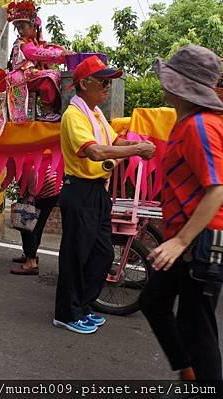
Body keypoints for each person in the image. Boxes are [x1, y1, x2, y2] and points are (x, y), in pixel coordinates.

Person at [54, 56, 156, 334]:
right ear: (84, 83)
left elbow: (114, 142)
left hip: (98, 192)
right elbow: (96, 151)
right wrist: (136, 150)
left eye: (109, 83)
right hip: (80, 191)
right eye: (103, 82)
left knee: (100, 254)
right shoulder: (74, 115)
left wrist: (140, 143)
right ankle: (67, 313)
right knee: (76, 255)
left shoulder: (96, 113)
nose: (108, 88)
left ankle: (84, 306)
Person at [141, 45, 223, 387]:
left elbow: (217, 188)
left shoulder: (200, 127)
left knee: (197, 329)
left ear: (180, 87)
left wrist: (180, 241)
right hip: (184, 240)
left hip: (199, 241)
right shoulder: (188, 123)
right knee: (153, 303)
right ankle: (189, 374)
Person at [0, 0, 74, 138]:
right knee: (49, 76)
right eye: (18, 28)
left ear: (33, 25)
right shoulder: (23, 43)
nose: (20, 31)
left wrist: (64, 53)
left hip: (29, 75)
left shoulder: (36, 42)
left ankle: (54, 109)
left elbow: (47, 49)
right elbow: (35, 53)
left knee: (57, 75)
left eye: (23, 26)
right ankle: (47, 111)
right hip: (20, 77)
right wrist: (60, 55)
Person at [11, 155, 61, 275]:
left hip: (41, 191)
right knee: (37, 227)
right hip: (53, 190)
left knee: (27, 227)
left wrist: (28, 198)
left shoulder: (21, 158)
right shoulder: (31, 151)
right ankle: (30, 255)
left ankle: (31, 263)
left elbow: (30, 179)